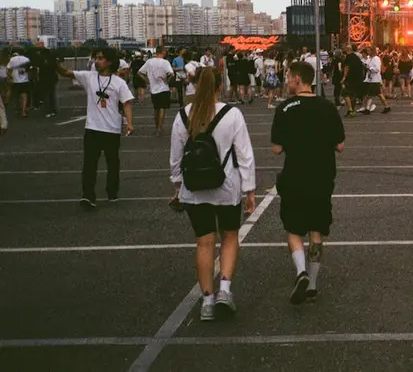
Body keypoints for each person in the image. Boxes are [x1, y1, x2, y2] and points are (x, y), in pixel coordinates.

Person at [169, 67, 256, 321]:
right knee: (229, 236)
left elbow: (176, 158)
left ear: (194, 85)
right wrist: (249, 189)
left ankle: (207, 300)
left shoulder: (184, 115)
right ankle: (225, 290)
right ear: (220, 86)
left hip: (194, 188)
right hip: (227, 185)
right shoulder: (232, 114)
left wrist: (177, 184)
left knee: (204, 242)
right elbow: (245, 155)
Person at [272, 62, 345, 304]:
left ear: (297, 79)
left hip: (294, 175)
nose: (286, 81)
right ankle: (312, 284)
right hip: (322, 176)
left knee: (293, 229)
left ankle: (301, 271)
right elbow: (340, 146)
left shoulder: (284, 109)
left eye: (288, 78)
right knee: (316, 230)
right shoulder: (327, 107)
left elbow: (277, 148)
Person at [55, 47, 135, 208]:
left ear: (110, 62)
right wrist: (53, 63)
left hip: (112, 129)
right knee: (89, 164)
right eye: (96, 58)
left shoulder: (118, 82)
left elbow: (126, 103)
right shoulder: (89, 77)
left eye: (100, 58)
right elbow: (66, 73)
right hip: (92, 128)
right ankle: (88, 196)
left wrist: (129, 122)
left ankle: (112, 192)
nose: (96, 61)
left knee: (113, 163)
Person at [138, 46, 175, 136]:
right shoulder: (165, 62)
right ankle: (159, 128)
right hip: (164, 88)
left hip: (153, 89)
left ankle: (156, 127)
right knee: (162, 108)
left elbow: (139, 73)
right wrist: (167, 80)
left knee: (156, 109)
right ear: (162, 52)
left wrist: (148, 81)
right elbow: (172, 74)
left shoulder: (149, 61)